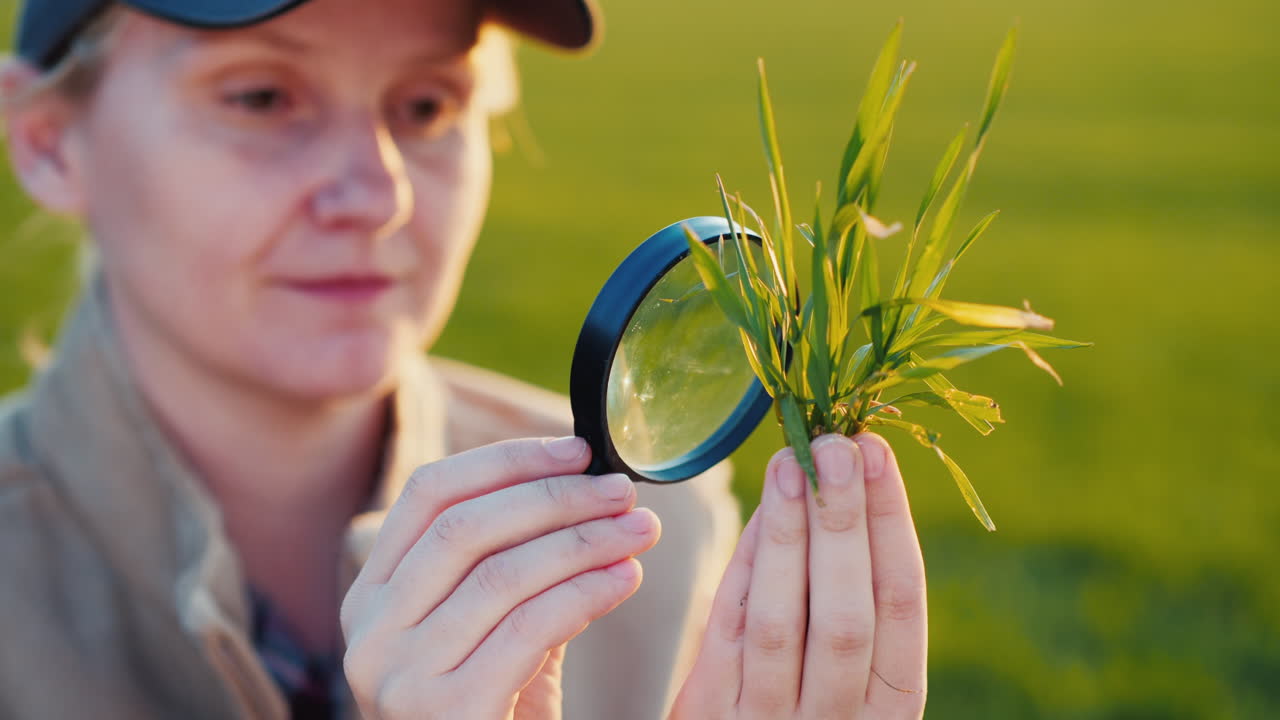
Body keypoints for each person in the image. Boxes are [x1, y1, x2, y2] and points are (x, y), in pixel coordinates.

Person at [0, 0, 929, 717]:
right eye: (261, 96)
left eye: (427, 104)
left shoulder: (650, 537)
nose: (379, 194)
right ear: (47, 142)